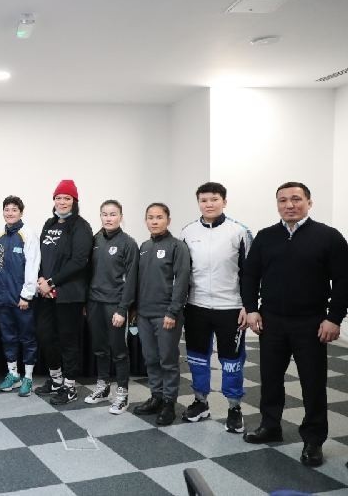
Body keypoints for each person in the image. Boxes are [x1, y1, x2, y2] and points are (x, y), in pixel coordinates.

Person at [242, 182, 348, 467]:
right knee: (270, 379)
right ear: (277, 204)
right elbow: (250, 276)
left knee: (313, 384)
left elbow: (343, 281)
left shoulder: (328, 237)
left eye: (296, 199)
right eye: (283, 200)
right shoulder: (265, 237)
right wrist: (251, 310)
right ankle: (270, 426)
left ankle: (313, 440)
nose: (289, 205)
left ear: (309, 203)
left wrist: (334, 318)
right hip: (271, 321)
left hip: (311, 323)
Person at [179, 182, 252, 433]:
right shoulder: (188, 231)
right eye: (204, 200)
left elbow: (250, 273)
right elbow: (182, 272)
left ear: (224, 201)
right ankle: (200, 401)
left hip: (230, 307)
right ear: (198, 203)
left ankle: (234, 407)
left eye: (214, 199)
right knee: (197, 357)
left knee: (231, 361)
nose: (209, 204)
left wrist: (248, 306)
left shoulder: (239, 232)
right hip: (196, 306)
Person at [33, 180, 94, 405]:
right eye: (58, 198)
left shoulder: (81, 226)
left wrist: (52, 282)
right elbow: (41, 256)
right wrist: (42, 279)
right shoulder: (49, 224)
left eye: (67, 198)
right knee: (45, 335)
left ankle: (69, 387)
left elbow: (79, 261)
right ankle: (56, 380)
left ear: (74, 201)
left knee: (68, 340)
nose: (62, 202)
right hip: (46, 293)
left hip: (69, 294)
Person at [132, 203, 191, 426]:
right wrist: (135, 309)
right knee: (151, 358)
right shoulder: (144, 246)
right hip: (144, 314)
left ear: (168, 220)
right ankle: (156, 396)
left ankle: (169, 402)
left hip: (166, 314)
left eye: (159, 217)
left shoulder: (177, 247)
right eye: (150, 217)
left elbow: (182, 281)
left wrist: (173, 311)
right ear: (145, 220)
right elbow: (138, 281)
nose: (154, 221)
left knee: (168, 360)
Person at [85, 200, 138, 414]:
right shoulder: (95, 240)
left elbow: (132, 280)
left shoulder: (128, 243)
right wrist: (86, 303)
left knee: (118, 350)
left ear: (121, 217)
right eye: (105, 214)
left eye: (113, 214)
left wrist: (123, 309)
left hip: (115, 304)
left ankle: (122, 393)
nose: (108, 218)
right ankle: (103, 386)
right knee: (99, 347)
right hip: (94, 302)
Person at [0, 196, 40, 397]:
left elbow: (33, 265)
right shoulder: (0, 236)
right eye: (7, 209)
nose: (10, 213)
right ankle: (13, 374)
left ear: (21, 212)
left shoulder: (27, 234)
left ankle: (28, 377)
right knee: (8, 337)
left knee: (27, 338)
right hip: (2, 298)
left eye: (14, 209)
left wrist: (27, 295)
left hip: (21, 299)